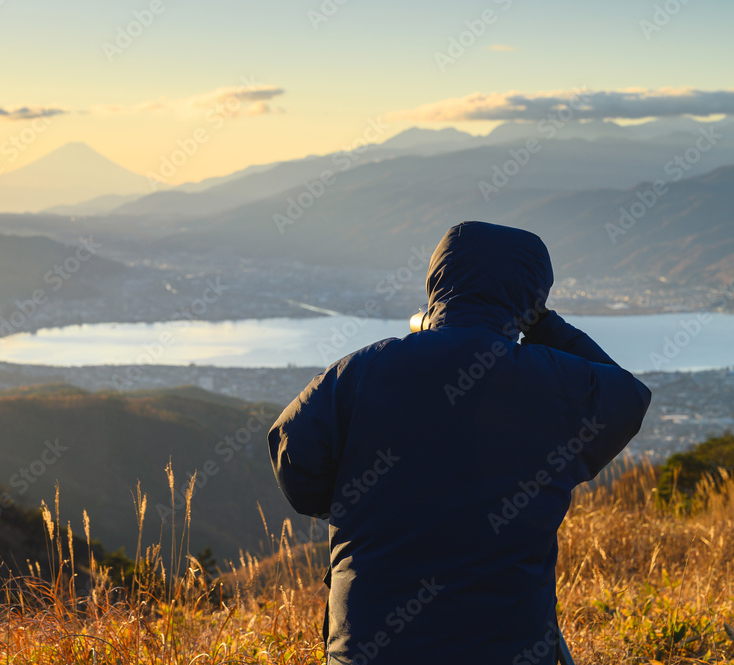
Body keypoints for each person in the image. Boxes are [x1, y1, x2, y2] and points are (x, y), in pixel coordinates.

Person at [268, 221, 652, 664]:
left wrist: (356, 503)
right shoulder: (555, 383)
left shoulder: (360, 372)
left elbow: (293, 459)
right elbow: (628, 395)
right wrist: (543, 325)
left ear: (437, 280)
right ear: (534, 296)